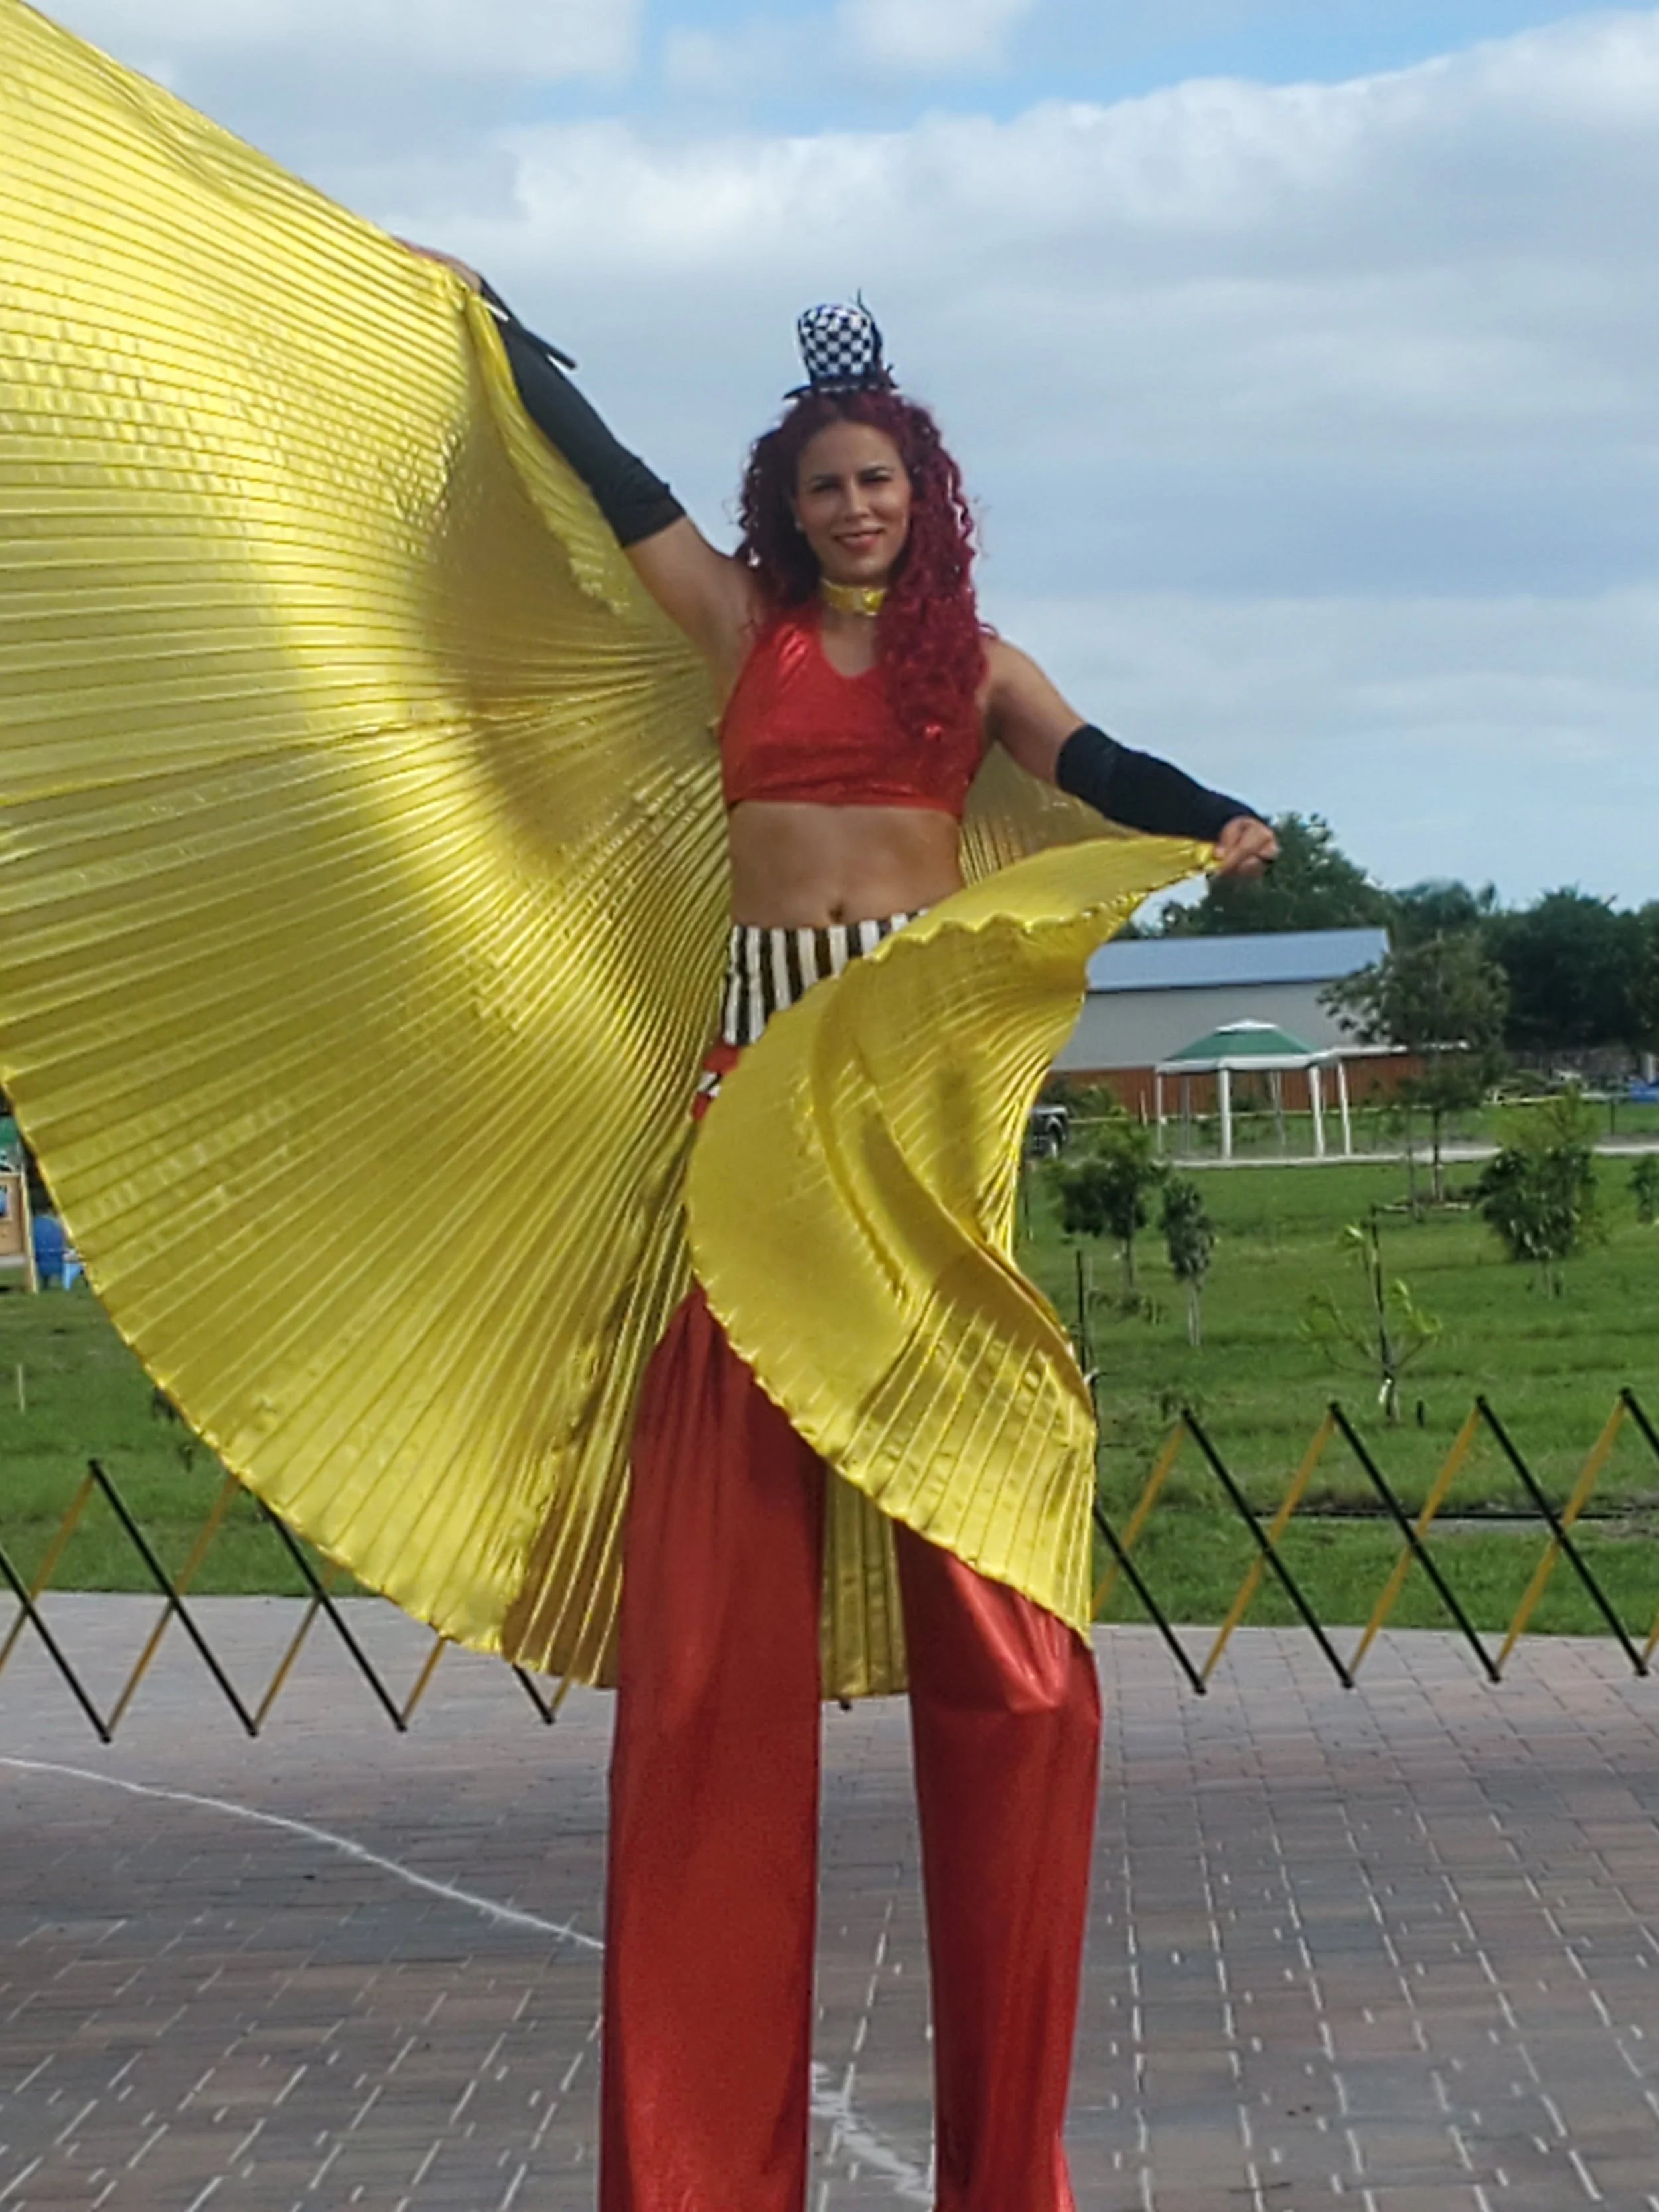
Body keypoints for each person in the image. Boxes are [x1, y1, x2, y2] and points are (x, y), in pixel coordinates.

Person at [412, 258, 1277, 2212]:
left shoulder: (965, 662)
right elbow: (620, 492)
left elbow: (1097, 769)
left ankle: (1007, 2172)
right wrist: (507, 348)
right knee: (712, 1643)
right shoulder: (738, 629)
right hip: (750, 1111)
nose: (853, 509)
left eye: (878, 482)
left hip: (906, 1127)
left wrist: (1209, 812)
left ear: (925, 492)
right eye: (824, 488)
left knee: (1016, 1657)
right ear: (787, 507)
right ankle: (698, 2171)